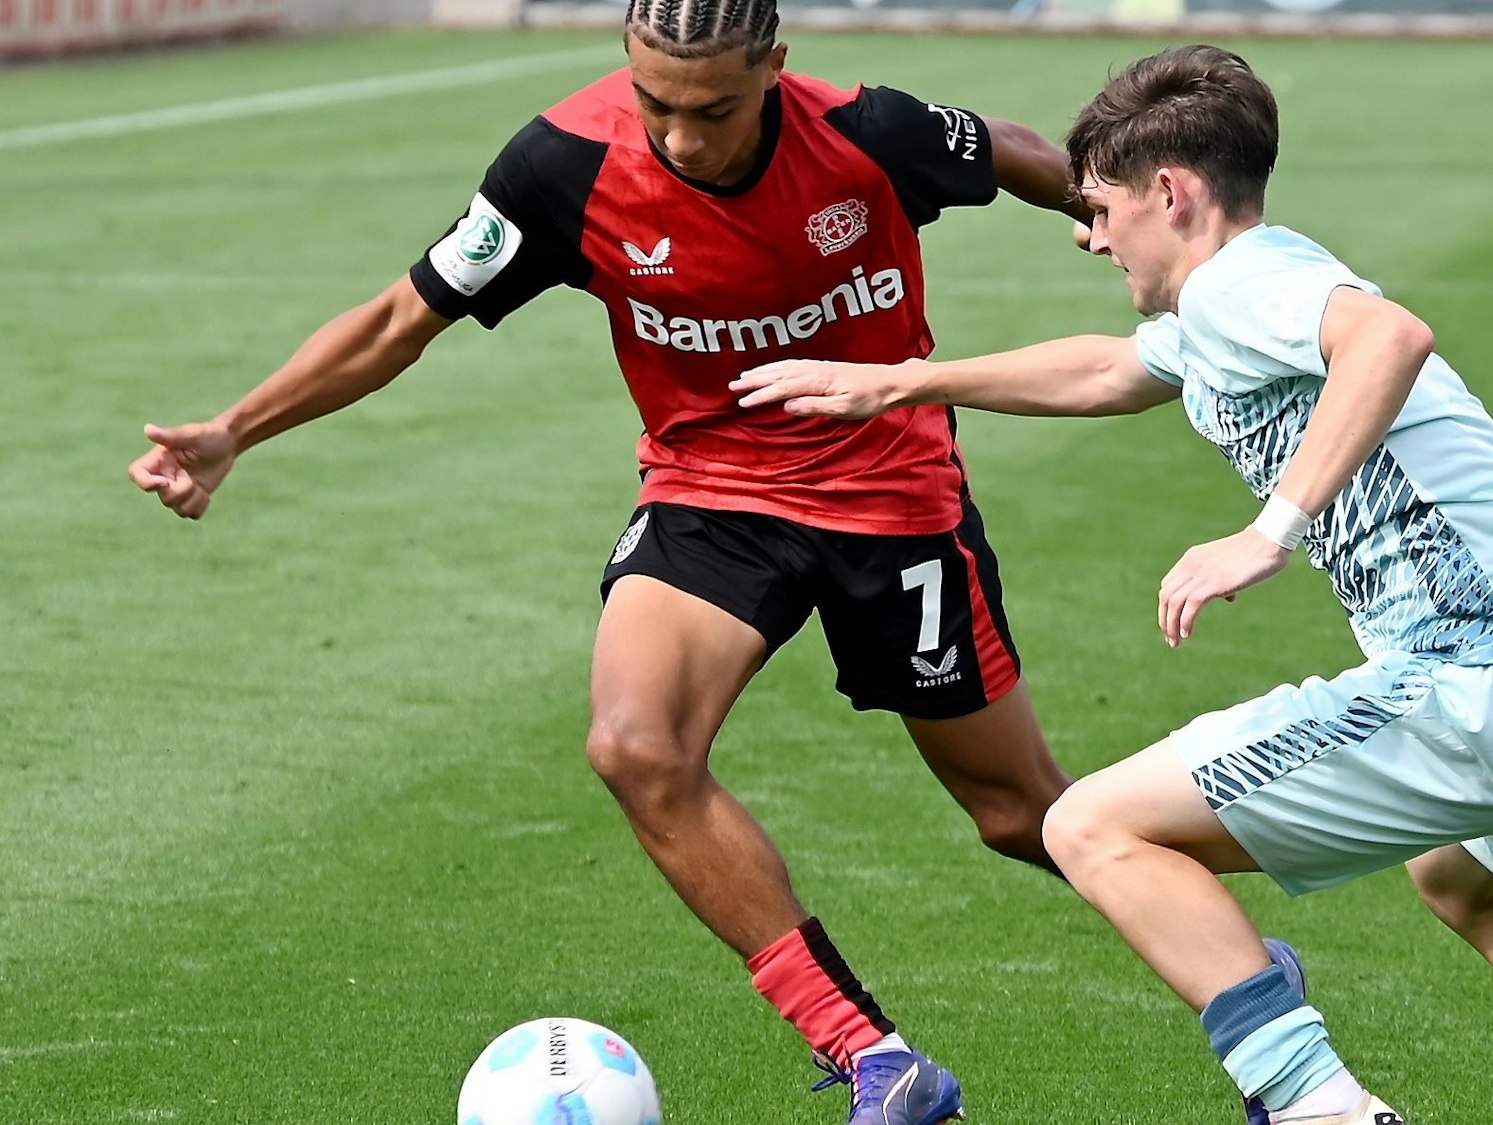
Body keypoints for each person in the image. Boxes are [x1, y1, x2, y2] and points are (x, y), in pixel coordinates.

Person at [127, 4, 1091, 1122]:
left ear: (775, 70)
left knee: (1018, 814)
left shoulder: (866, 132)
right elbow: (402, 318)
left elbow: (1007, 146)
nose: (680, 138)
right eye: (656, 103)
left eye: (714, 109)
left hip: (890, 494)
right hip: (709, 493)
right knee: (635, 746)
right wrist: (235, 430)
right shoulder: (562, 166)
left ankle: (1220, 927)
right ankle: (875, 1057)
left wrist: (1092, 204)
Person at [732, 43, 1493, 1125]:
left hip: (1482, 683)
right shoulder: (1231, 302)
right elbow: (1107, 368)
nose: (1089, 235)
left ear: (1171, 194)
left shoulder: (1244, 284)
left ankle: (1314, 1105)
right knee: (1463, 879)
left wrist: (1267, 531)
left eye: (1096, 209)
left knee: (1093, 827)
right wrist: (901, 380)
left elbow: (1390, 337)